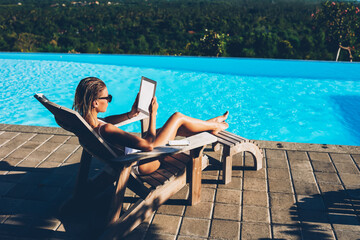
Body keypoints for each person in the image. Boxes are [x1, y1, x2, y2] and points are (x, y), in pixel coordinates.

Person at [73, 77, 229, 175]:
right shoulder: (106, 129)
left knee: (173, 128)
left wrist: (131, 113)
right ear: (95, 103)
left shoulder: (86, 122)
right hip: (143, 162)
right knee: (177, 117)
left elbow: (106, 119)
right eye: (107, 98)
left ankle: (210, 124)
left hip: (132, 158)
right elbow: (148, 145)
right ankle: (214, 125)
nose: (108, 100)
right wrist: (152, 114)